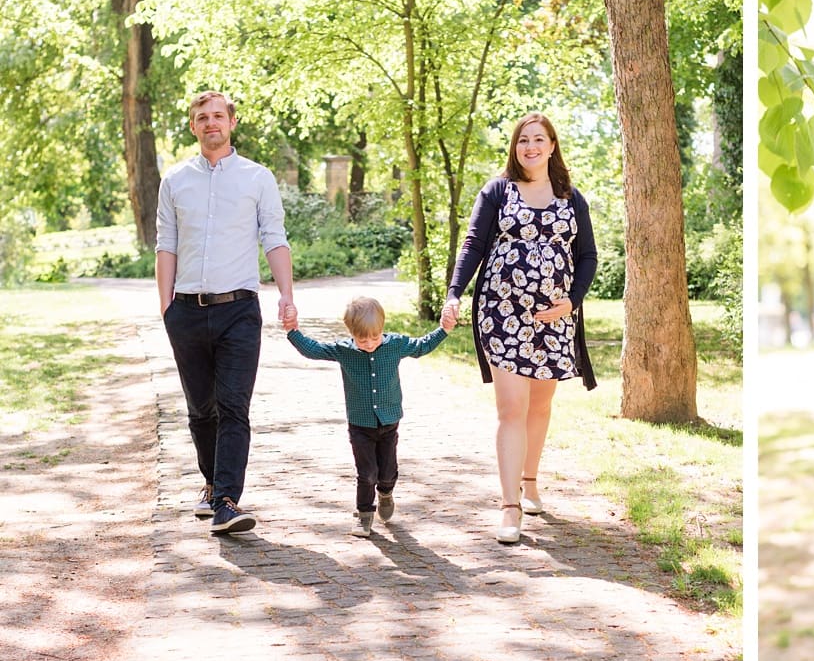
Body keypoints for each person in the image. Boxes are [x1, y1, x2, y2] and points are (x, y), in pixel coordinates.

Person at [446, 113, 598, 544]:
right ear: (515, 148)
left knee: (539, 407)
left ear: (552, 146)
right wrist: (455, 293)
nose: (529, 147)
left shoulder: (571, 197)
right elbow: (474, 243)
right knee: (511, 408)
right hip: (502, 312)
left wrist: (573, 299)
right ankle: (509, 506)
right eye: (522, 140)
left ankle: (530, 481)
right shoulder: (498, 190)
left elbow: (587, 256)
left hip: (553, 319)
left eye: (538, 140)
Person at [155, 91, 294, 535]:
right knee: (201, 411)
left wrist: (287, 295)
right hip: (187, 312)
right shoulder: (175, 181)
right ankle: (213, 485)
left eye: (218, 116)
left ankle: (227, 502)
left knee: (234, 407)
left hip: (239, 311)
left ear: (232, 122)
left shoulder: (257, 178)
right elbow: (166, 246)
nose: (210, 123)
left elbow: (274, 237)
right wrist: (166, 310)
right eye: (202, 117)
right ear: (193, 126)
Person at [281, 296, 454, 537]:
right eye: (363, 339)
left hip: (389, 420)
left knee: (387, 472)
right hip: (360, 424)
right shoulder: (344, 350)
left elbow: (422, 346)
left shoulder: (395, 345)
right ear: (351, 333)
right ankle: (363, 515)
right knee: (366, 473)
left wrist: (444, 329)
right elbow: (314, 350)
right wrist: (292, 331)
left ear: (382, 329)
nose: (370, 343)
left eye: (375, 337)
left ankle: (385, 493)